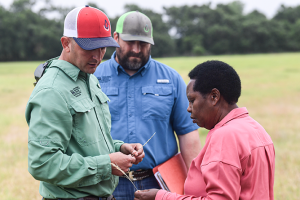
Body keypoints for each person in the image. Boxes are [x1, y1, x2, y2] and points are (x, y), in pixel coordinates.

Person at [25, 6, 145, 200]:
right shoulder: (52, 91)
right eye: (89, 47)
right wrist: (107, 164)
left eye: (103, 47)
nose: (98, 57)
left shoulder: (88, 77)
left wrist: (119, 148)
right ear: (66, 43)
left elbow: (84, 143)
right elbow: (43, 164)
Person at [94, 11, 201, 199]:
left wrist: (195, 183)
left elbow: (187, 133)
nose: (136, 49)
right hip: (107, 181)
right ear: (116, 38)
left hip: (160, 183)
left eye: (143, 43)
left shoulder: (171, 79)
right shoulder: (94, 78)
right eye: (130, 42)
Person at [134, 60, 275, 200]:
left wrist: (162, 197)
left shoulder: (225, 136)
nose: (188, 108)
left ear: (214, 97)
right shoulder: (257, 129)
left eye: (192, 100)